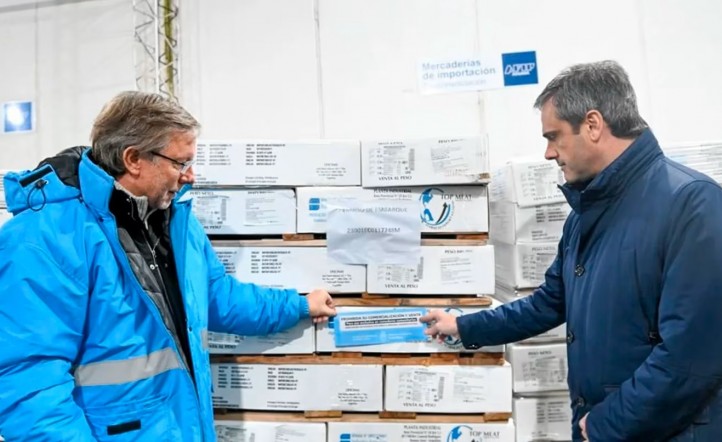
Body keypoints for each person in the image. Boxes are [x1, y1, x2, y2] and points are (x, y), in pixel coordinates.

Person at [0, 91, 337, 441]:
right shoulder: (45, 237)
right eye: (180, 163)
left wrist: (298, 305)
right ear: (133, 159)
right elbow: (27, 383)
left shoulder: (175, 222)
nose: (189, 176)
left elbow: (216, 297)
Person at [421, 60, 722, 441]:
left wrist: (604, 425)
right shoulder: (587, 214)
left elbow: (690, 356)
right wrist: (465, 326)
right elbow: (550, 302)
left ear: (593, 125)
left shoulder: (692, 205)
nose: (549, 153)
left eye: (554, 136)